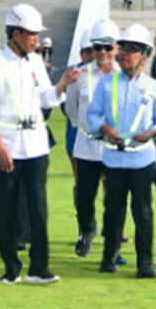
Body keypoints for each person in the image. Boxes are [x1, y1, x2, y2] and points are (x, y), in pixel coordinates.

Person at [0, 3, 80, 285]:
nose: (36, 38)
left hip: (36, 145)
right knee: (8, 210)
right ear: (15, 33)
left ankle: (39, 267)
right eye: (31, 33)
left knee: (38, 208)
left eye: (37, 33)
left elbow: (47, 99)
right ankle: (11, 268)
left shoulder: (36, 61)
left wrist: (63, 83)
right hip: (7, 146)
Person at [87, 24, 156, 279]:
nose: (123, 54)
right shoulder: (106, 84)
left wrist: (154, 133)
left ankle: (145, 263)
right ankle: (108, 257)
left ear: (145, 56)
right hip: (113, 158)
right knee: (113, 210)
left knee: (143, 212)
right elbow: (93, 114)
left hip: (143, 159)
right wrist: (103, 127)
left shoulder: (154, 88)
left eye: (131, 50)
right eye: (122, 48)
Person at [64, 20, 117, 260]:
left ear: (117, 48)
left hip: (115, 146)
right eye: (98, 47)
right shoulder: (80, 75)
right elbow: (72, 109)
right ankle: (86, 231)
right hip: (86, 145)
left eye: (108, 47)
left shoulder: (123, 76)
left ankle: (113, 242)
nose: (103, 53)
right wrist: (85, 128)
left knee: (115, 196)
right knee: (85, 196)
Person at [60, 30, 94, 245]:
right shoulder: (75, 76)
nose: (93, 55)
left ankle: (114, 227)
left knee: (112, 185)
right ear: (81, 53)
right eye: (89, 51)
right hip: (78, 138)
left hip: (106, 142)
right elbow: (69, 109)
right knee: (83, 186)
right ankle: (85, 226)